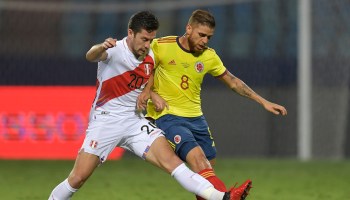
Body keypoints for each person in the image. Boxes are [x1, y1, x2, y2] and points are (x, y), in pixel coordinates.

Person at [48, 11, 249, 200]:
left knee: (174, 164)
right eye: (144, 39)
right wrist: (100, 47)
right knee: (78, 178)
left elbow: (147, 78)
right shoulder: (114, 50)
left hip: (135, 122)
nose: (147, 45)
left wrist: (150, 94)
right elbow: (90, 56)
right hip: (106, 121)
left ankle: (223, 197)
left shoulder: (151, 55)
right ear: (130, 33)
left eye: (151, 40)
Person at [138, 9, 287, 200]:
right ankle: (228, 197)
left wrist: (263, 102)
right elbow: (139, 72)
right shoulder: (161, 46)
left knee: (206, 176)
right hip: (168, 117)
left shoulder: (209, 56)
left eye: (209, 37)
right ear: (189, 28)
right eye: (201, 35)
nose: (205, 41)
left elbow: (233, 82)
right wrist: (150, 93)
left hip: (196, 119)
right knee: (199, 161)